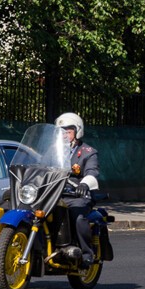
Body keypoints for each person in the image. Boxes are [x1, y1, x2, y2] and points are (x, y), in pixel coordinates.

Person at [55, 112, 100, 268]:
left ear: (77, 131)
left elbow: (92, 171)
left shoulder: (88, 152)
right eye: (61, 131)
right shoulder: (53, 151)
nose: (64, 135)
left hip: (77, 195)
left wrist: (84, 184)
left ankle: (87, 253)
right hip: (55, 194)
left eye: (68, 131)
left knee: (77, 216)